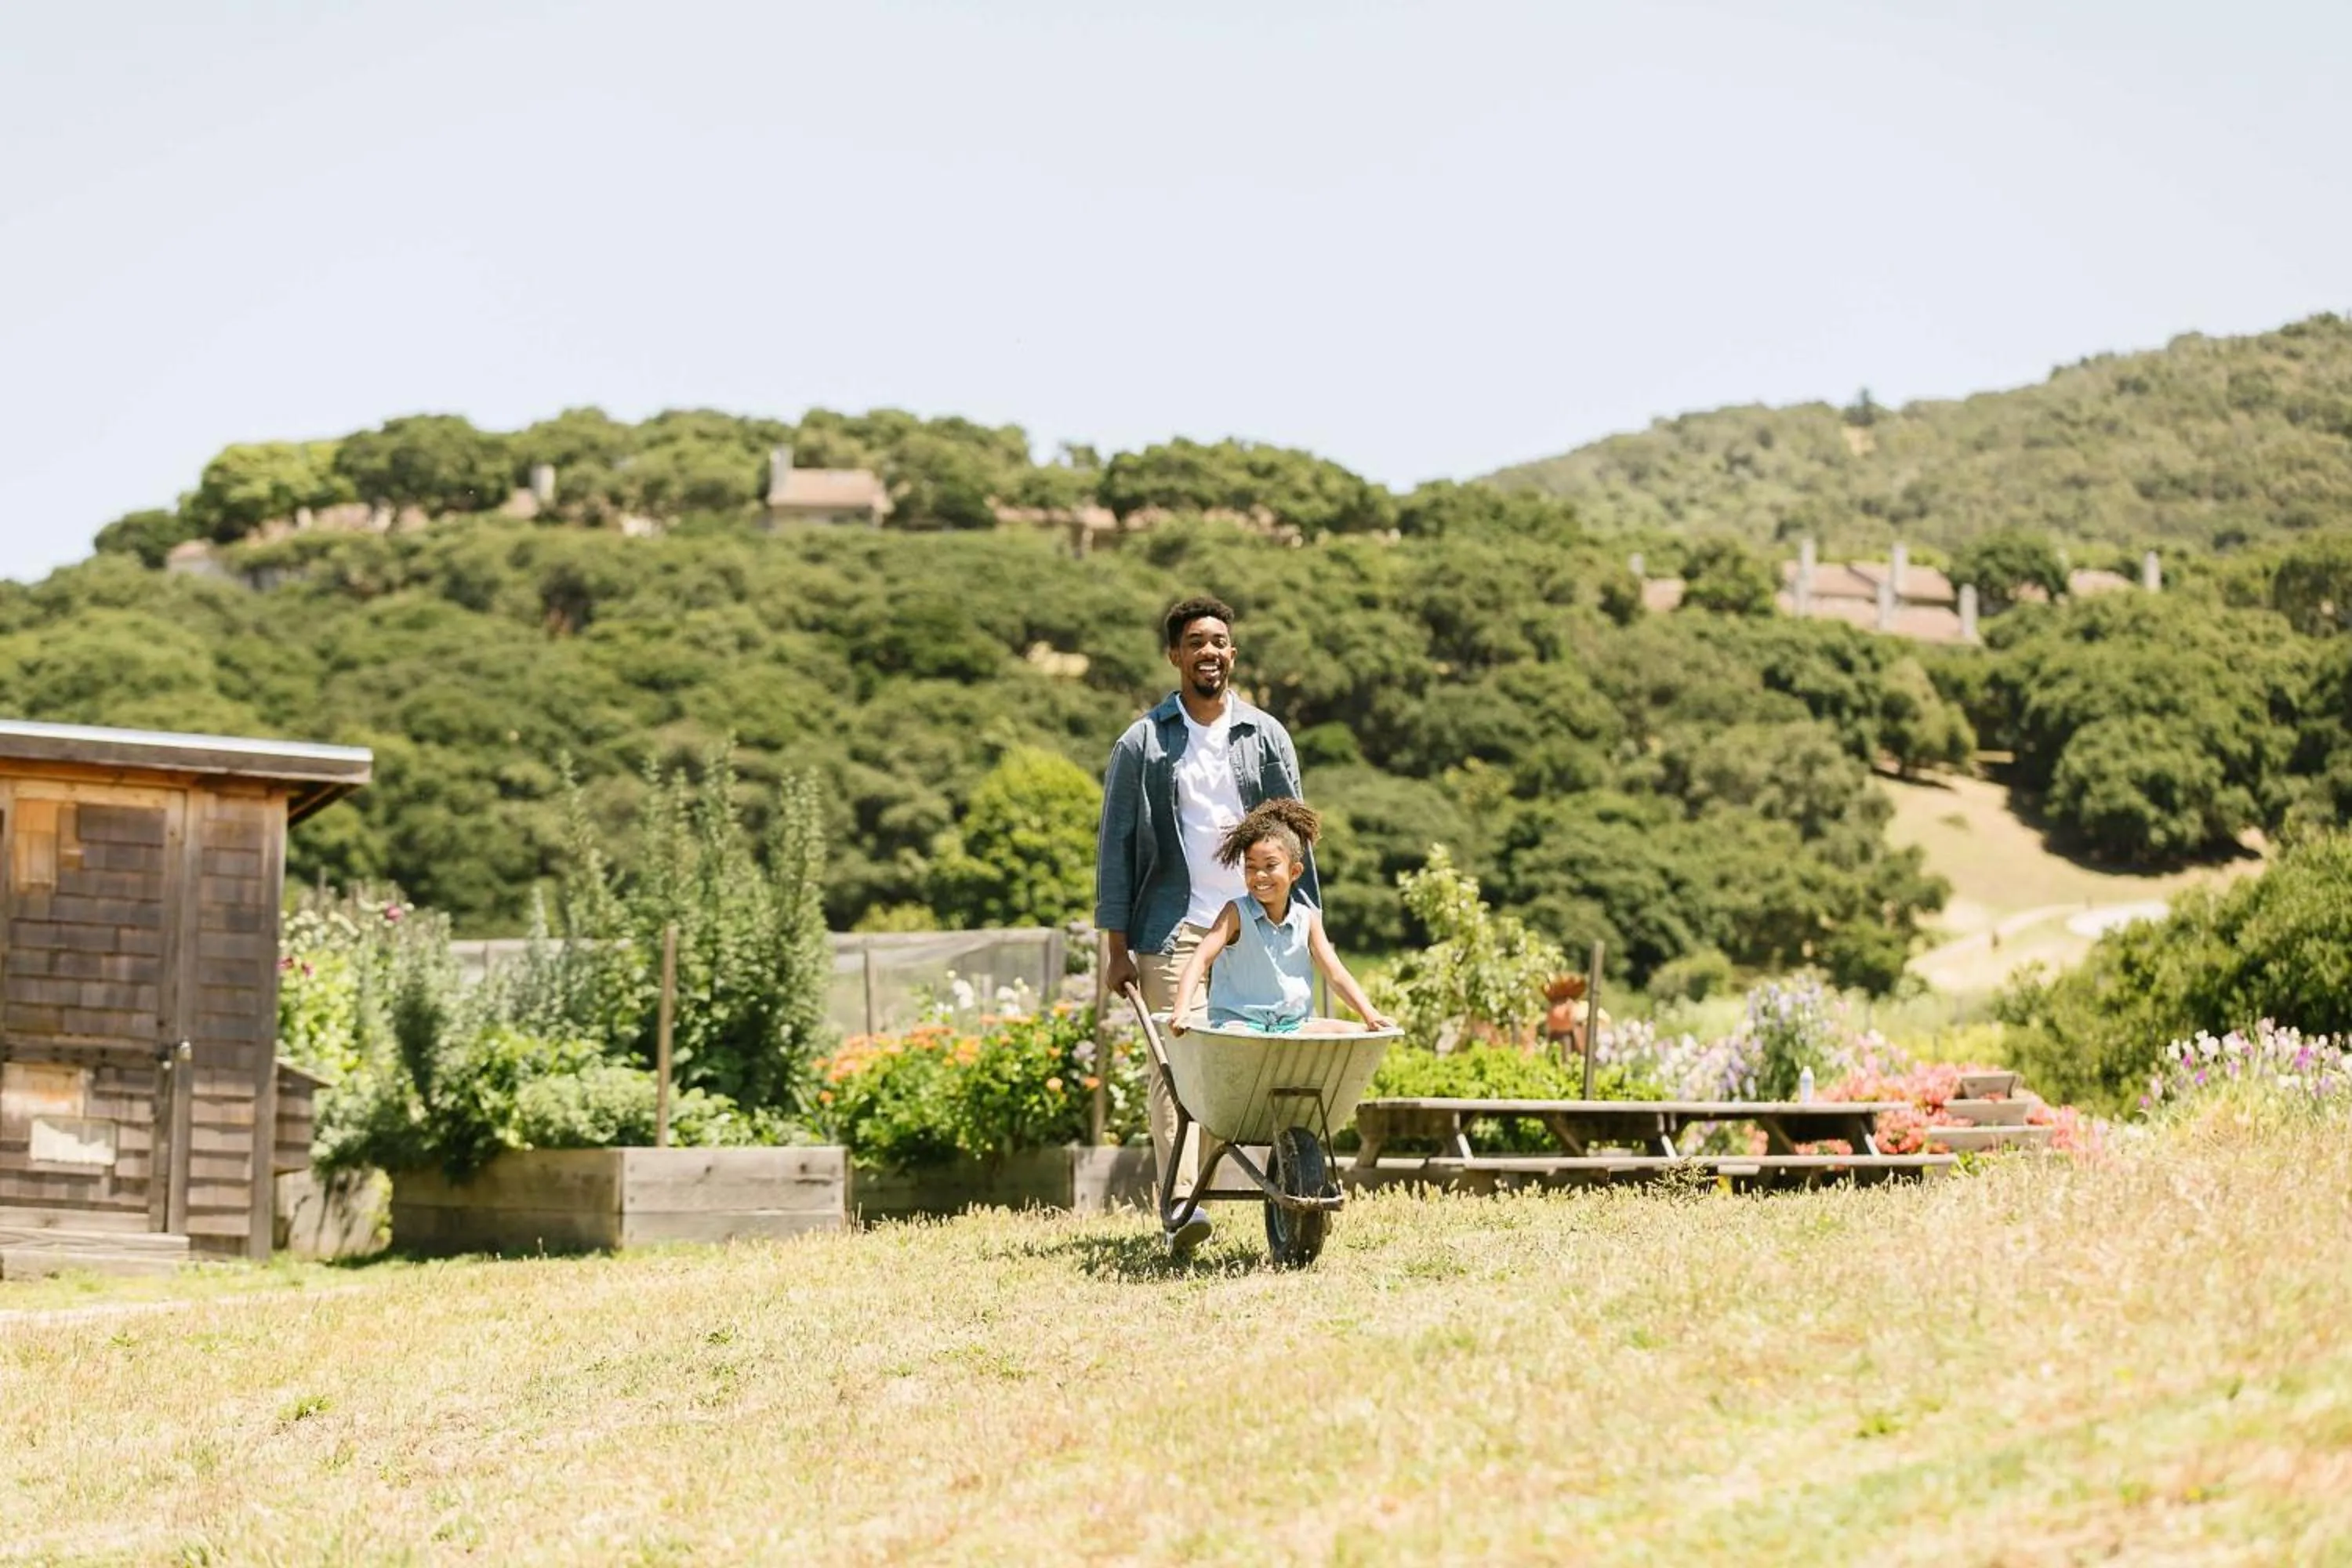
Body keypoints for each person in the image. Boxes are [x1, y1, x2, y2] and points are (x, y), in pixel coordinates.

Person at [1094, 594, 1316, 1255]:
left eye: (1218, 640)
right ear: (1175, 656)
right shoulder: (1144, 742)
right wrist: (1116, 948)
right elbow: (1117, 847)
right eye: (1195, 641)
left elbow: (1300, 836)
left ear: (1232, 653)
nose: (1208, 652)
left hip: (1256, 925)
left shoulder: (1266, 735)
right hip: (1174, 928)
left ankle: (1247, 1184)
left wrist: (1308, 923)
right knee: (1177, 1069)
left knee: (1247, 1068)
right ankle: (1183, 1208)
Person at [1168, 799, 1394, 1038]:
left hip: (1293, 1027)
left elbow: (1335, 973)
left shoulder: (1307, 919)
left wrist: (1370, 1015)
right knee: (1245, 1041)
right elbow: (1201, 959)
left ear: (1294, 871)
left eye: (1270, 865)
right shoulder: (1235, 913)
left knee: (1351, 1032)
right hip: (1240, 1026)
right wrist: (1182, 1008)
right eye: (1251, 867)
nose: (1260, 875)